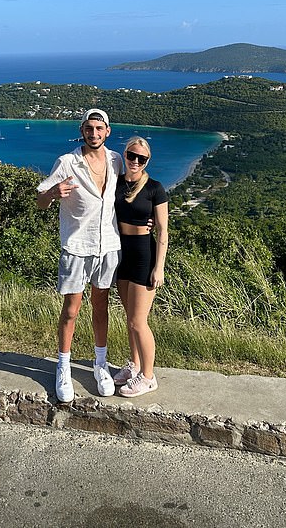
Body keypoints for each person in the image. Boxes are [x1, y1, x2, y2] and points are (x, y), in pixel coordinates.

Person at [36, 108, 123, 403]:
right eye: (89, 128)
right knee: (71, 310)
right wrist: (52, 193)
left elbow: (130, 192)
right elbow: (40, 201)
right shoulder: (67, 162)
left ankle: (100, 365)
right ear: (82, 130)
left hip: (108, 245)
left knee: (101, 307)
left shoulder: (116, 160)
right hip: (77, 246)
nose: (94, 133)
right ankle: (63, 366)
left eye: (99, 128)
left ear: (107, 131)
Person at [113, 136, 169, 397]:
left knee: (139, 321)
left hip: (143, 256)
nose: (135, 161)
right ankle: (134, 366)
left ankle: (148, 376)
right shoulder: (117, 183)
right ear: (125, 155)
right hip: (121, 254)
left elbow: (163, 232)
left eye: (141, 158)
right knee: (129, 318)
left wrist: (159, 267)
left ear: (147, 161)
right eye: (131, 155)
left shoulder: (155, 188)